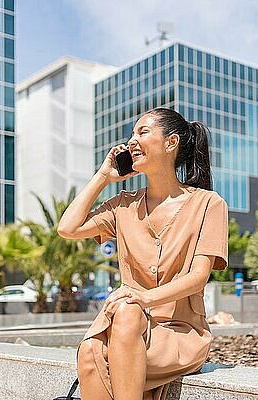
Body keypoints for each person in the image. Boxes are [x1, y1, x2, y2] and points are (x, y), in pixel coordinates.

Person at [57, 107, 229, 400]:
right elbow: (68, 228)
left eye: (143, 132)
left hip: (180, 334)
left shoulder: (208, 204)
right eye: (132, 133)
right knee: (90, 348)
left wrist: (144, 298)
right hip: (128, 325)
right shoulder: (123, 204)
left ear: (170, 143)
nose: (131, 141)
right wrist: (103, 176)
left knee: (125, 311)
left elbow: (199, 277)